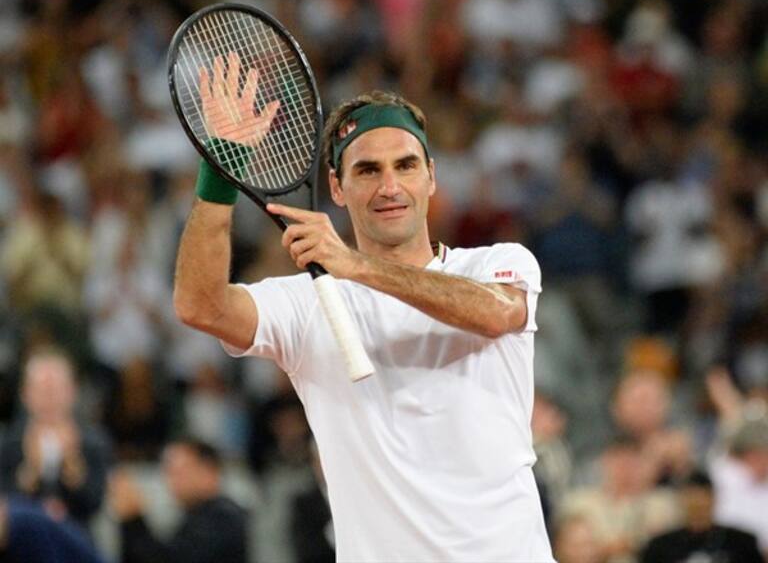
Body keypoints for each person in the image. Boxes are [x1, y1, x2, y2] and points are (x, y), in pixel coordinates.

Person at [174, 58, 553, 562]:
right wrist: (220, 167)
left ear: (431, 176)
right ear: (336, 187)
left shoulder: (498, 262)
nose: (390, 186)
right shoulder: (305, 305)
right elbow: (200, 304)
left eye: (405, 165)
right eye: (367, 170)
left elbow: (495, 314)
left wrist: (354, 266)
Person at [0, 346, 111, 527]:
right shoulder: (8, 442)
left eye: (55, 389)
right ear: (25, 394)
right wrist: (29, 472)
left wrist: (74, 470)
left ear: (72, 391)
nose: (49, 398)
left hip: (77, 540)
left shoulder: (95, 442)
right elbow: (4, 506)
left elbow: (96, 505)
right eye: (42, 389)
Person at [109, 436, 248, 563]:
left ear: (209, 471)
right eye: (169, 472)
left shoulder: (223, 517)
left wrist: (134, 520)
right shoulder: (198, 515)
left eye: (180, 471)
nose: (171, 480)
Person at [640, 470, 763, 563]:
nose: (698, 509)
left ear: (713, 500)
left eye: (702, 503)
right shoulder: (660, 547)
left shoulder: (741, 543)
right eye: (692, 503)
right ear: (681, 502)